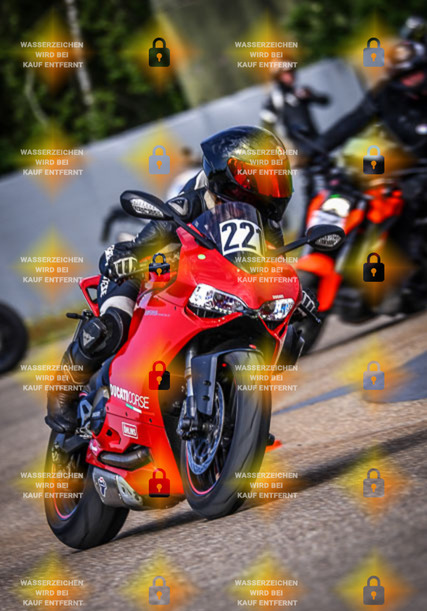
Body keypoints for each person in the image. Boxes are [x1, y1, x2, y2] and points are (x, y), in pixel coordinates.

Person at [46, 125, 317, 433]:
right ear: (234, 177)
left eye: (278, 178)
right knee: (112, 325)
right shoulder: (191, 202)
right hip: (151, 274)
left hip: (217, 289)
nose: (274, 187)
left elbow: (272, 270)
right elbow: (143, 244)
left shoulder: (266, 225)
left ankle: (238, 417)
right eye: (266, 178)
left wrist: (295, 295)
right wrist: (129, 259)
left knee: (286, 337)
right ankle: (63, 390)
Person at [313, 37, 427, 309]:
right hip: (402, 166)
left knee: (409, 202)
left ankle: (405, 275)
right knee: (355, 190)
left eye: (416, 72)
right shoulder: (386, 94)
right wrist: (316, 149)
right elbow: (354, 120)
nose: (412, 79)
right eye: (404, 75)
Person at [260, 69, 330, 156]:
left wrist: (310, 96)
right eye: (286, 73)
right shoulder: (275, 98)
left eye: (291, 72)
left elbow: (325, 101)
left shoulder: (301, 91)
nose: (290, 75)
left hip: (315, 138)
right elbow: (266, 124)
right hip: (296, 146)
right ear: (278, 77)